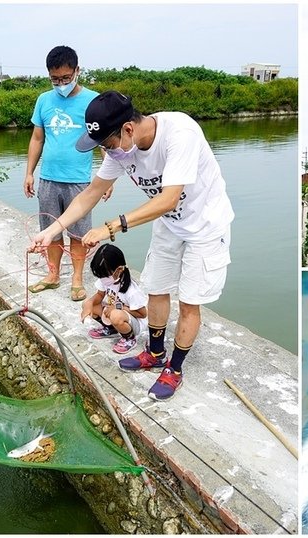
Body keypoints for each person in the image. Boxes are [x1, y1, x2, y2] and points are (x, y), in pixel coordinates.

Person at [30, 90, 234, 402]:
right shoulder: (119, 152)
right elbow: (90, 193)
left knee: (190, 301)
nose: (106, 153)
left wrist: (111, 226)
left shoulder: (180, 134)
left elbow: (167, 199)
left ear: (127, 129)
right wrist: (52, 230)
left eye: (107, 146)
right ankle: (154, 352)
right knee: (156, 287)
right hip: (169, 224)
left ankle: (174, 369)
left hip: (204, 226)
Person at [23, 45, 106, 302]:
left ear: (77, 71)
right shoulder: (44, 100)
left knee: (79, 233)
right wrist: (29, 173)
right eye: (55, 79)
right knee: (51, 230)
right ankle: (52, 275)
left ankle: (78, 280)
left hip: (79, 181)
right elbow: (37, 138)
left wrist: (106, 178)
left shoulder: (93, 100)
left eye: (66, 78)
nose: (61, 84)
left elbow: (103, 139)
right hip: (49, 178)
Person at [82, 244, 147, 355]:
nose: (102, 279)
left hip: (134, 322)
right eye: (100, 276)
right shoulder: (106, 280)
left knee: (116, 315)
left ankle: (129, 339)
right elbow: (99, 295)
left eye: (105, 275)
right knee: (90, 303)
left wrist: (118, 307)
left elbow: (142, 314)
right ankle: (111, 329)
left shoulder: (131, 291)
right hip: (114, 311)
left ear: (119, 270)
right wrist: (88, 304)